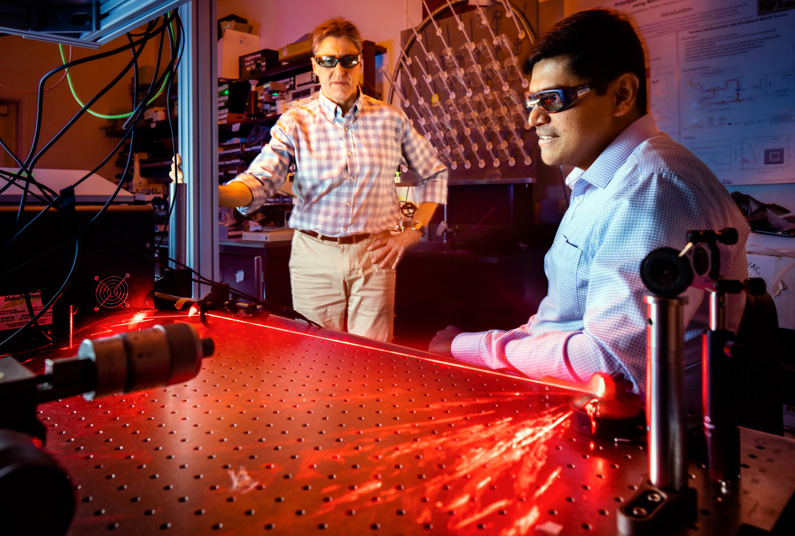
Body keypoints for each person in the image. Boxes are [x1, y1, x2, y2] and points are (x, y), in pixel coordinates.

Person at [429, 9, 749, 411]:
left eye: (552, 99)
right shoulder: (604, 182)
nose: (533, 119)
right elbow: (561, 321)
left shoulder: (651, 190)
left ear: (621, 95)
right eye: (530, 101)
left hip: (642, 434)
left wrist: (468, 348)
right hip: (579, 402)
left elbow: (610, 363)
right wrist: (486, 348)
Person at [221, 18, 448, 342]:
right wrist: (216, 194)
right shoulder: (296, 121)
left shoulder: (390, 119)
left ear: (359, 62)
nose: (338, 70)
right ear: (315, 65)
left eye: (348, 59)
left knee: (373, 362)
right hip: (314, 256)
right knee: (316, 361)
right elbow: (262, 179)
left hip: (374, 255)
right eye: (328, 60)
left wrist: (411, 233)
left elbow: (435, 173)